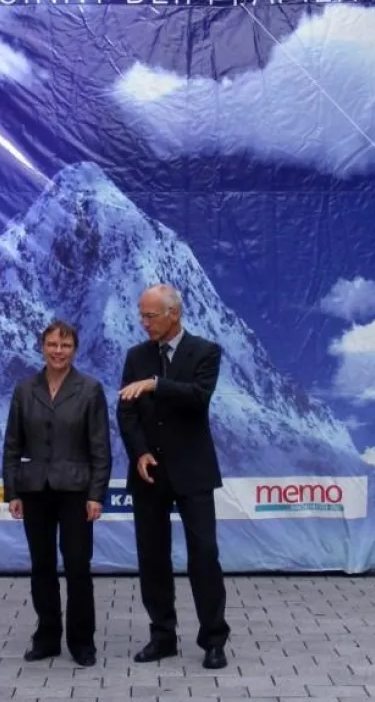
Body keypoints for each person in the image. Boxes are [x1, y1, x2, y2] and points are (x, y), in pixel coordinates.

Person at [117, 284, 230, 670]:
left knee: (204, 555)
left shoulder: (205, 351)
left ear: (174, 314)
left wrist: (156, 384)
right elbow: (126, 412)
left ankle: (214, 639)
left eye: (151, 316)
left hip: (192, 471)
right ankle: (162, 635)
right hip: (150, 475)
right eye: (142, 315)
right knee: (152, 558)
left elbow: (199, 397)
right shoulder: (136, 356)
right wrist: (140, 452)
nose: (144, 323)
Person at [3, 319, 111, 667]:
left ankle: (82, 642)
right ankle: (47, 637)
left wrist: (97, 494)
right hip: (34, 490)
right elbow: (11, 445)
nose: (58, 351)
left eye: (65, 346)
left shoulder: (90, 389)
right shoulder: (24, 390)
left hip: (77, 491)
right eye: (52, 345)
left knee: (78, 566)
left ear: (75, 350)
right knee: (42, 566)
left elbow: (101, 449)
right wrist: (12, 492)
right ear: (42, 347)